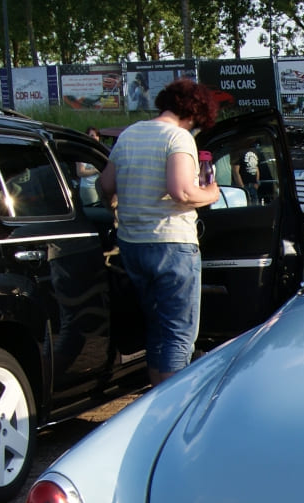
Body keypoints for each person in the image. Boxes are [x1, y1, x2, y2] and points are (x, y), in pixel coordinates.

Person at [96, 78, 221, 386]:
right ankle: (173, 407)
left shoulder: (129, 135)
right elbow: (181, 192)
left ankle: (155, 400)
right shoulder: (177, 138)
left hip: (133, 245)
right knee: (178, 334)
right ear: (194, 113)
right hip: (171, 244)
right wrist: (212, 193)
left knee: (156, 330)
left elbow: (104, 186)